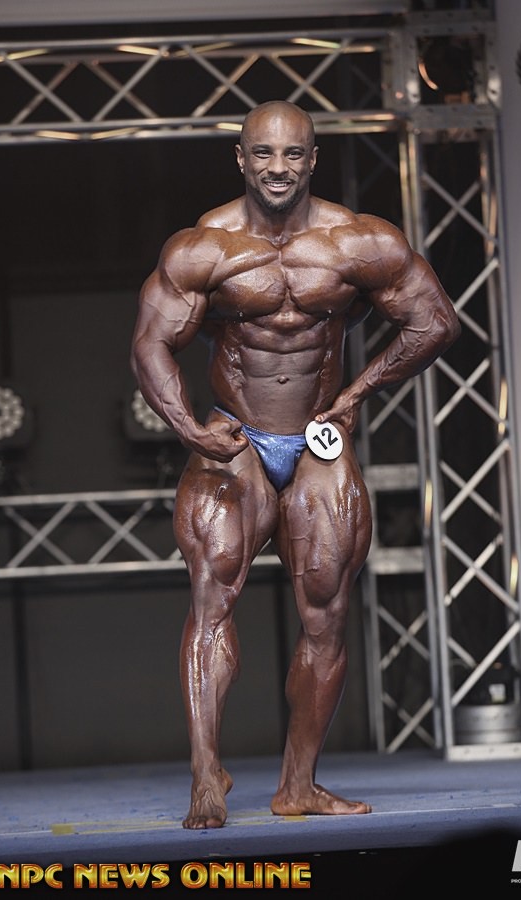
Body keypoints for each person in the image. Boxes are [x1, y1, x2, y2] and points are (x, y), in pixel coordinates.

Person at [130, 100, 460, 830]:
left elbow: (435, 321)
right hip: (236, 438)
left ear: (312, 160)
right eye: (263, 154)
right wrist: (188, 427)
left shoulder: (359, 242)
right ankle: (206, 775)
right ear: (241, 159)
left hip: (318, 442)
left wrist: (357, 391)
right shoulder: (203, 247)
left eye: (292, 155)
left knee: (327, 612)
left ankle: (298, 784)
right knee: (212, 594)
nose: (277, 168)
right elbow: (150, 344)